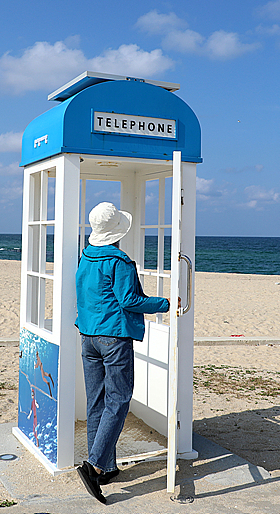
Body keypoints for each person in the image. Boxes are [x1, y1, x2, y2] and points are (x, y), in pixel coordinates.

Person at [74, 202, 170, 504]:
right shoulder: (120, 261)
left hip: (88, 335)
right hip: (113, 338)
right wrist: (165, 304)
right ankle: (94, 466)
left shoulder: (86, 256)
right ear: (117, 232)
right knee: (118, 399)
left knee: (97, 402)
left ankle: (106, 467)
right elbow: (130, 300)